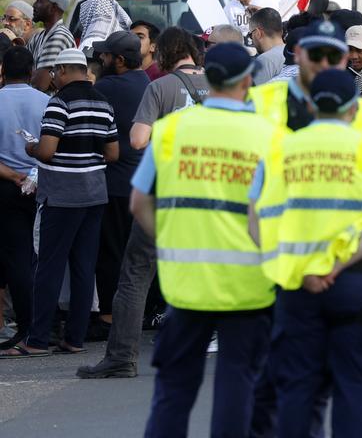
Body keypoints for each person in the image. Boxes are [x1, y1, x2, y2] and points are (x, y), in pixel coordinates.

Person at [127, 43, 280, 437]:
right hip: (248, 283)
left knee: (174, 389)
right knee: (236, 384)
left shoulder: (172, 130)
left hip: (185, 281)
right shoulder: (268, 135)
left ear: (208, 79)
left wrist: (167, 241)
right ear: (248, 80)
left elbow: (139, 203)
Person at [250, 68, 362, 438]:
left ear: (308, 104)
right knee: (354, 389)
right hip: (353, 283)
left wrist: (298, 267)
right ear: (355, 107)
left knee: (298, 388)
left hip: (296, 286)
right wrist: (334, 266)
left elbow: (255, 219)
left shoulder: (277, 151)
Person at [77, 29, 210, 380]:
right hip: (210, 194)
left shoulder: (162, 86)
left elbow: (137, 139)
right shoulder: (218, 85)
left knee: (136, 274)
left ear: (166, 52)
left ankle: (122, 357)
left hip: (165, 193)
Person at [2, 49, 119, 358]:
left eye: (55, 71)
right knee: (83, 268)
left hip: (62, 195)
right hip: (94, 193)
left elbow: (47, 152)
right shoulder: (102, 103)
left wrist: (31, 147)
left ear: (66, 69)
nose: (53, 77)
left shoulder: (60, 103)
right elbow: (113, 154)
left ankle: (37, 340)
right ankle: (75, 338)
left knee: (49, 267)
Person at [89, 31, 151, 339]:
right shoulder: (149, 84)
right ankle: (138, 315)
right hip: (143, 184)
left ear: (121, 61)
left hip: (114, 184)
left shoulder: (106, 87)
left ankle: (110, 317)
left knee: (110, 253)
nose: (102, 59)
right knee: (137, 256)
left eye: (106, 56)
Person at [0, 48, 48, 351]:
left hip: (6, 187)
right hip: (42, 184)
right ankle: (41, 320)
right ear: (31, 71)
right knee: (43, 256)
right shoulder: (46, 102)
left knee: (16, 256)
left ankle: (25, 321)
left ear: (3, 70)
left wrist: (13, 176)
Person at [249, 20, 362, 132]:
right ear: (297, 54)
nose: (324, 64)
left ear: (344, 60)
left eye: (334, 57)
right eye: (315, 55)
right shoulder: (259, 101)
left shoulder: (360, 109)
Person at [28, 0, 76, 92]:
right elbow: (19, 72)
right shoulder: (38, 37)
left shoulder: (59, 37)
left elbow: (39, 85)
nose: (34, 5)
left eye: (39, 1)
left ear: (53, 7)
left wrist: (35, 74)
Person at [249, 9, 286, 85]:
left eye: (250, 35)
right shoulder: (295, 51)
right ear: (281, 31)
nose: (251, 38)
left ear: (258, 33)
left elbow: (257, 95)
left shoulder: (264, 60)